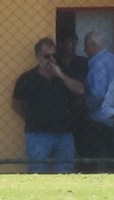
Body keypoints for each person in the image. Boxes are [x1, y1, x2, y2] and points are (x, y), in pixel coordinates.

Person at [12, 37, 85, 173]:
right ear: (38, 56)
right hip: (37, 133)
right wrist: (30, 118)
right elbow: (16, 103)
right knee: (37, 170)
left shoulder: (64, 75)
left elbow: (80, 90)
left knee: (66, 171)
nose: (51, 59)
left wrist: (60, 75)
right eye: (47, 56)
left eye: (54, 55)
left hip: (64, 133)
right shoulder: (27, 79)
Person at [84, 31, 114, 171]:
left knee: (95, 157)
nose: (84, 51)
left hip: (101, 118)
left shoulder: (98, 64)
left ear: (93, 45)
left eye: (86, 46)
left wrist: (85, 108)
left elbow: (98, 93)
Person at [56, 32, 93, 172]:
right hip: (60, 113)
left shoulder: (83, 63)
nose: (73, 46)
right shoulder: (55, 63)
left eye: (75, 42)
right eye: (70, 42)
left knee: (85, 150)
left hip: (80, 114)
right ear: (60, 44)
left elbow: (83, 88)